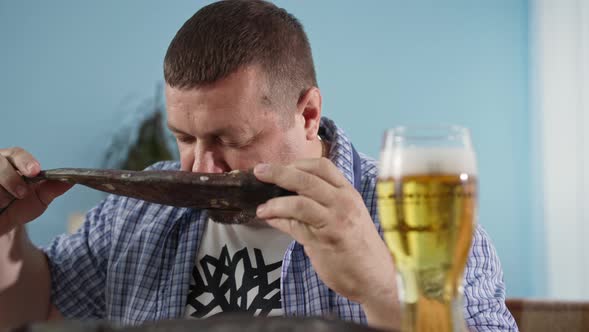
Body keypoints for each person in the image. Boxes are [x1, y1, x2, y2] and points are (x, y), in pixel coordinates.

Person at [0, 1, 517, 330]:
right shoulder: (134, 217)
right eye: (184, 137)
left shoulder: (419, 224)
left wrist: (381, 287)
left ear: (308, 114)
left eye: (230, 139)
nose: (201, 167)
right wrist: (4, 233)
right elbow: (31, 311)